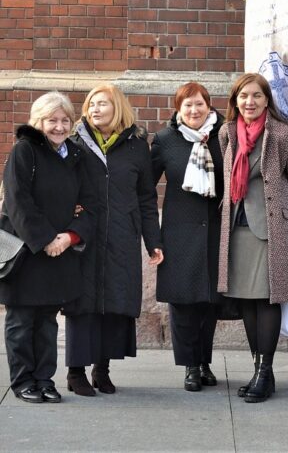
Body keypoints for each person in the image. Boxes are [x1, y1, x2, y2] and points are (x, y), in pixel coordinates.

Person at [217, 73, 288, 404]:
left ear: (267, 100)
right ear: (235, 101)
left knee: (267, 299)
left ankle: (264, 371)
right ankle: (261, 370)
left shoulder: (284, 137)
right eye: (243, 96)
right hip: (237, 228)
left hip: (271, 229)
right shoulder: (227, 134)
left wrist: (287, 214)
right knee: (246, 299)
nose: (250, 102)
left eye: (256, 96)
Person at [64, 84, 164, 396]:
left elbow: (146, 197)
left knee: (114, 302)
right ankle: (75, 372)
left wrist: (153, 240)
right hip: (86, 235)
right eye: (91, 104)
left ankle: (102, 369)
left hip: (122, 233)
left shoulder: (135, 146)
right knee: (83, 303)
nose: (94, 109)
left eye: (102, 104)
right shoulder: (74, 142)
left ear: (117, 107)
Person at [0, 92, 95, 404]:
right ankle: (23, 381)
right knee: (21, 323)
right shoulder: (25, 150)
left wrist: (69, 237)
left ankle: (44, 379)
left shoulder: (75, 156)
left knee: (47, 324)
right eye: (51, 120)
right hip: (26, 254)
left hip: (61, 253)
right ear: (37, 121)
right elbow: (18, 202)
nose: (58, 126)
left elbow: (91, 205)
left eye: (65, 120)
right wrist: (45, 240)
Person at [151, 82, 224, 392]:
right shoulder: (166, 140)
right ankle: (190, 366)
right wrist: (151, 235)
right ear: (178, 110)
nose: (194, 111)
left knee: (210, 301)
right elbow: (145, 188)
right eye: (187, 105)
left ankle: (204, 361)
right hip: (179, 232)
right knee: (183, 302)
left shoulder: (225, 136)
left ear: (209, 105)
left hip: (217, 229)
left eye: (199, 104)